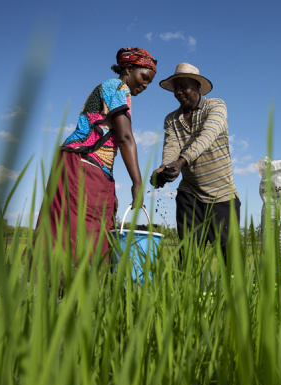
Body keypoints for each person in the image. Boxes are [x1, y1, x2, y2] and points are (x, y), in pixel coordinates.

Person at [37, 47, 157, 261]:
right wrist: (137, 183)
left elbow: (108, 143)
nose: (146, 84)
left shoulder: (112, 89)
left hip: (84, 163)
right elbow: (125, 138)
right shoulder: (117, 86)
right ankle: (76, 289)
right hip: (83, 163)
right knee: (86, 233)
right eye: (145, 77)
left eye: (149, 81)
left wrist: (109, 186)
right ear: (128, 69)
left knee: (81, 228)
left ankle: (64, 289)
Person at [151, 63, 240, 265]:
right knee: (189, 258)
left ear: (198, 87)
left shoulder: (216, 106)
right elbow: (171, 148)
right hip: (190, 193)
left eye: (184, 86)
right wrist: (166, 169)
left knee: (231, 260)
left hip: (221, 194)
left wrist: (181, 162)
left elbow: (205, 138)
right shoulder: (171, 119)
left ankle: (235, 297)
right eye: (176, 88)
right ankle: (190, 296)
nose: (179, 92)